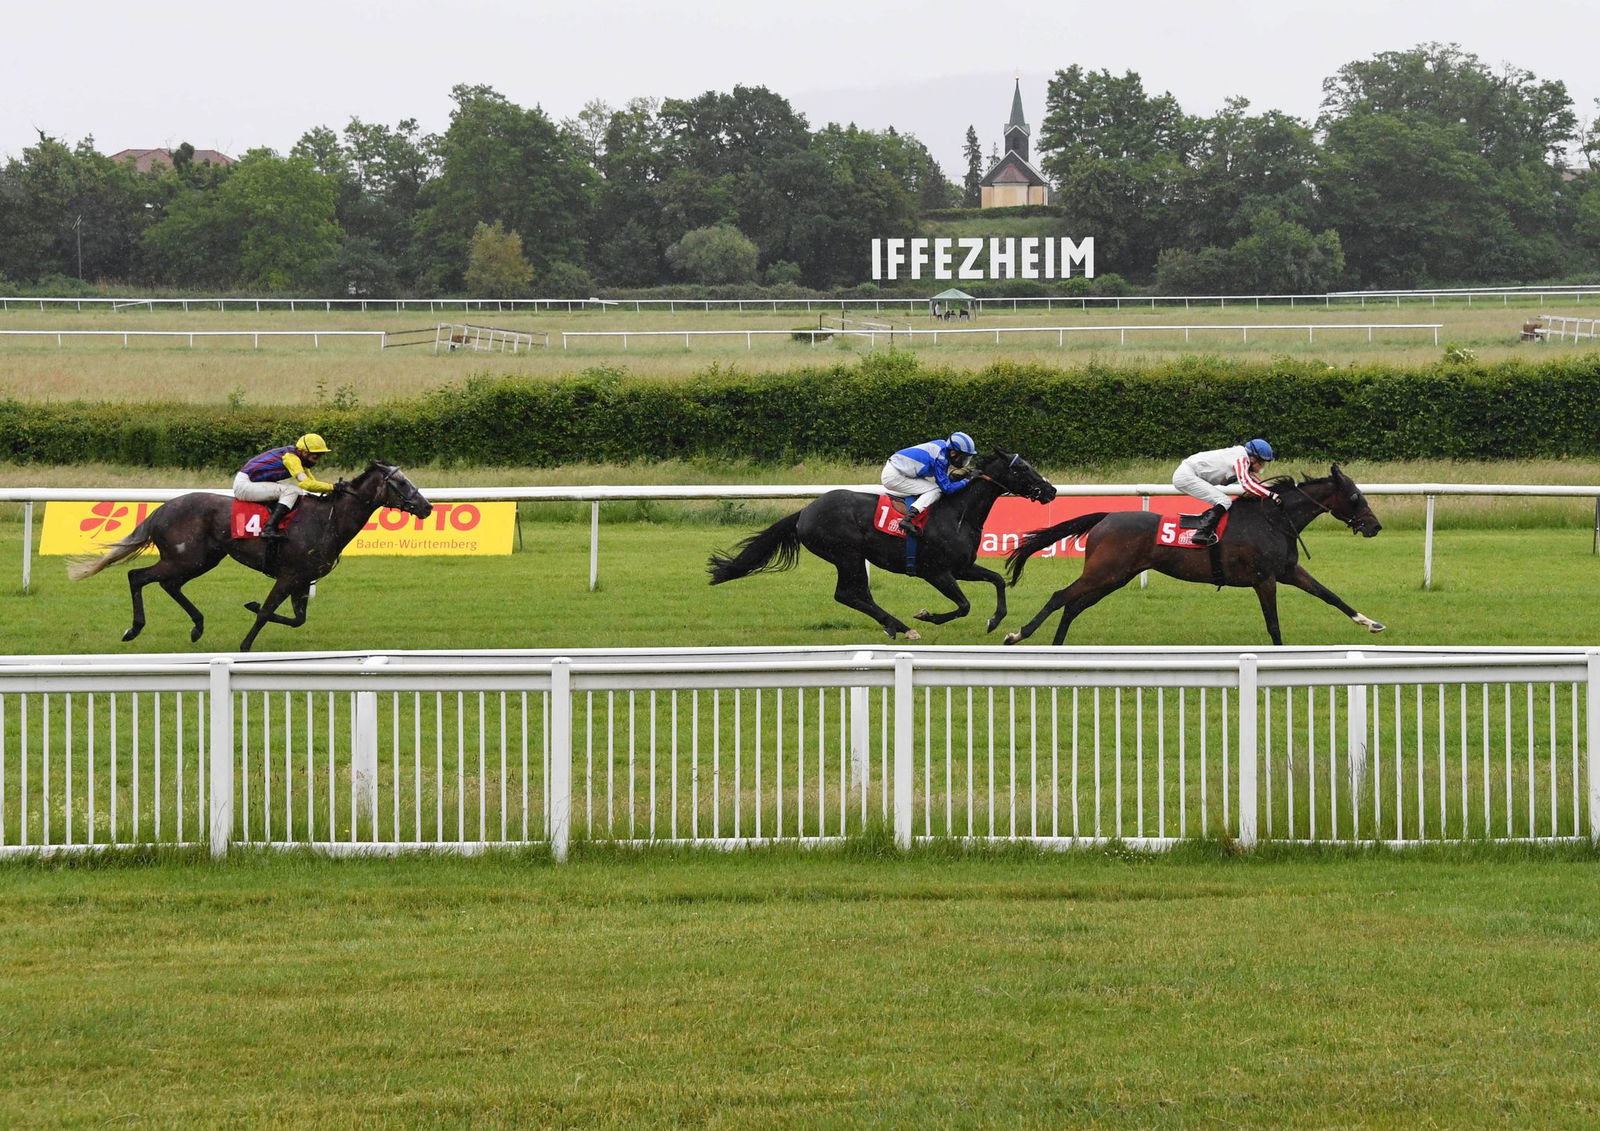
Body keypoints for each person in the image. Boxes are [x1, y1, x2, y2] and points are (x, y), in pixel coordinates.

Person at [1172, 438, 1275, 546]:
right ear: (1253, 458)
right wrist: (1272, 495)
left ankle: (1207, 529)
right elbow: (1248, 485)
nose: (1262, 467)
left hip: (1189, 473)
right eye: (1262, 462)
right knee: (1224, 501)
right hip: (1186, 475)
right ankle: (1202, 533)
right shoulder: (1241, 459)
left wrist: (1274, 491)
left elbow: (1257, 483)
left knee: (1223, 501)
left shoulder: (1241, 457)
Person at [234, 433, 335, 539]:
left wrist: (332, 489)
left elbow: (312, 482)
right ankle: (269, 528)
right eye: (315, 457)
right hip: (244, 485)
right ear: (305, 452)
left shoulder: (298, 457)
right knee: (292, 491)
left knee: (296, 491)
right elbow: (307, 484)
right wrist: (333, 487)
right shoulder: (291, 458)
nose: (316, 460)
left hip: (251, 482)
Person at [880, 431, 978, 534]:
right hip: (895, 476)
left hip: (899, 471)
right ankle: (907, 519)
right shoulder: (941, 458)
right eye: (963, 457)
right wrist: (967, 480)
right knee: (936, 490)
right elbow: (947, 488)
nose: (964, 461)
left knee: (933, 487)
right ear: (953, 453)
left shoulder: (943, 447)